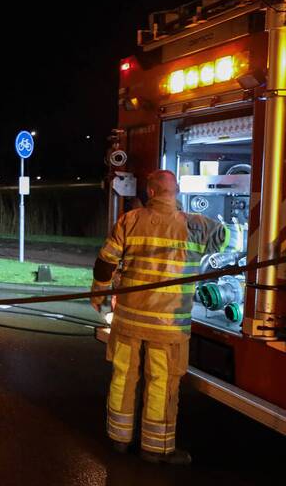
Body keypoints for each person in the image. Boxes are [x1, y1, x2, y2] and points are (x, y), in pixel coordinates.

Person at [91, 170, 230, 465]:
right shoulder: (196, 224)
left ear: (151, 192)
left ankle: (119, 439)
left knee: (123, 377)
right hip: (168, 327)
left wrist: (99, 294)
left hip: (128, 320)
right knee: (162, 383)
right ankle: (155, 449)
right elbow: (226, 238)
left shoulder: (130, 220)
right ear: (176, 191)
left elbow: (105, 263)